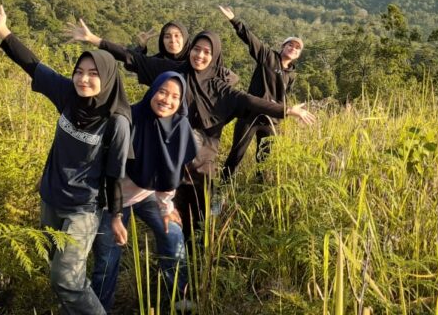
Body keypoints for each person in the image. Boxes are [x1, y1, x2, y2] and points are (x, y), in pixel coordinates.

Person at [66, 20, 316, 237]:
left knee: (199, 220)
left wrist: (287, 110)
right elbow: (133, 58)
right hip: (171, 160)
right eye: (196, 49)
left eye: (207, 52)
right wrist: (94, 39)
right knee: (173, 219)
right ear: (190, 49)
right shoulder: (175, 73)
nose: (200, 55)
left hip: (202, 163)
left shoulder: (220, 87)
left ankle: (195, 261)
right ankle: (172, 262)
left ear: (214, 55)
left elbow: (249, 100)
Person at [0, 0, 131, 315]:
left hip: (83, 209)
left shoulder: (116, 122)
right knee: (57, 268)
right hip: (50, 198)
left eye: (93, 74)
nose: (83, 79)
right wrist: (2, 30)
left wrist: (115, 216)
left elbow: (115, 174)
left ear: (107, 78)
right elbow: (33, 65)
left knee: (66, 279)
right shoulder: (68, 95)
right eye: (79, 72)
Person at [92, 71, 197, 313]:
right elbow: (109, 171)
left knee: (173, 234)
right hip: (112, 199)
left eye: (175, 96)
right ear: (152, 91)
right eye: (162, 92)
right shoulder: (129, 120)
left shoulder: (179, 126)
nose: (167, 100)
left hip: (146, 193)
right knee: (108, 259)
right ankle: (99, 309)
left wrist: (166, 208)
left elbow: (171, 171)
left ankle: (180, 299)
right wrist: (116, 215)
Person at [218, 6, 303, 181]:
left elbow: (283, 95)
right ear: (283, 47)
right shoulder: (267, 57)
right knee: (237, 153)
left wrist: (288, 109)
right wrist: (234, 20)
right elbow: (250, 39)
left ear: (298, 55)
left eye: (297, 48)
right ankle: (223, 187)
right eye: (290, 45)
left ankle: (259, 187)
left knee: (264, 159)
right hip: (250, 114)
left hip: (271, 120)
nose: (293, 48)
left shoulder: (292, 75)